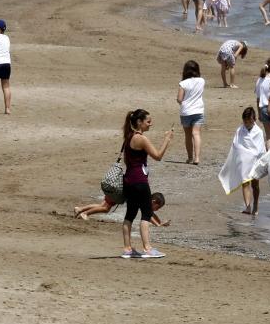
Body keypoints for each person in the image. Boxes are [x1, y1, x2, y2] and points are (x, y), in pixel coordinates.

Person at [119, 109, 173, 258]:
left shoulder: (128, 136)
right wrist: (167, 140)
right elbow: (157, 156)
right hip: (139, 180)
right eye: (148, 121)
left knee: (130, 214)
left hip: (129, 180)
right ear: (139, 122)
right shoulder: (141, 139)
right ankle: (147, 248)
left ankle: (127, 249)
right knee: (146, 213)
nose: (151, 124)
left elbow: (127, 160)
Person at [220, 108, 265, 217]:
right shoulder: (240, 130)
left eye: (249, 121)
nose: (247, 124)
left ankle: (256, 205)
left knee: (255, 185)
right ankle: (248, 207)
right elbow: (236, 145)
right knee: (245, 182)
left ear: (254, 120)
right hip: (243, 161)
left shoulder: (258, 132)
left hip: (255, 162)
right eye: (245, 121)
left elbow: (259, 150)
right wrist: (243, 154)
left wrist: (250, 154)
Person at [75, 191, 166, 226]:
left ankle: (80, 209)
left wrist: (160, 222)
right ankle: (85, 214)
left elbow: (151, 213)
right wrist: (157, 224)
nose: (156, 210)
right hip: (118, 194)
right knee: (105, 209)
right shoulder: (144, 200)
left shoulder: (145, 198)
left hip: (118, 191)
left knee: (102, 206)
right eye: (157, 208)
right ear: (153, 201)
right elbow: (148, 215)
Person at [177, 60, 206, 165]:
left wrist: (184, 102)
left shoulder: (183, 83)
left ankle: (190, 158)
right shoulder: (202, 81)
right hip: (198, 110)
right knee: (196, 133)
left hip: (186, 111)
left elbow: (179, 99)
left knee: (188, 135)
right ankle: (197, 158)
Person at [255, 59, 270, 145]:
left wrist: (259, 113)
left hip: (263, 109)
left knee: (269, 137)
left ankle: (269, 156)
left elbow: (258, 99)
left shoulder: (260, 80)